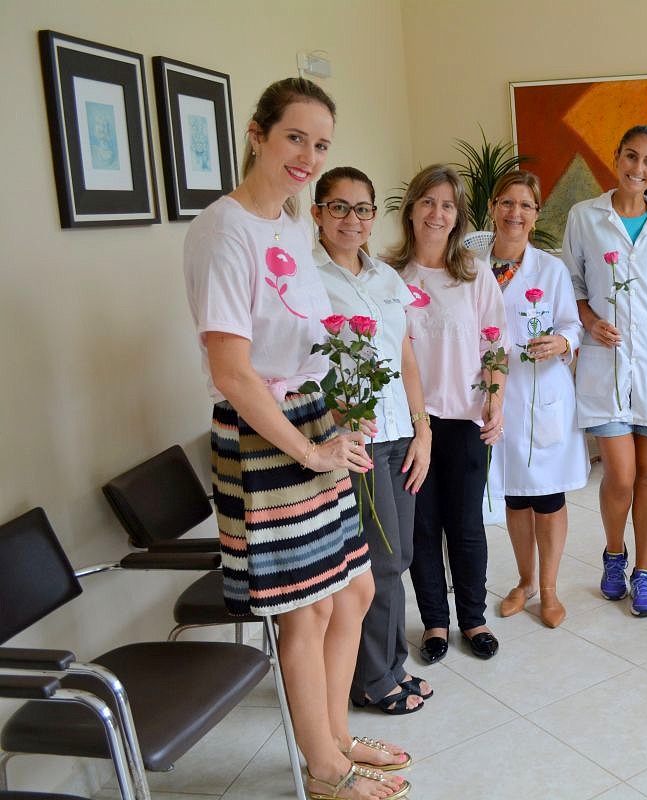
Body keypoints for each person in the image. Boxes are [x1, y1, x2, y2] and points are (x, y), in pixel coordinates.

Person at [183, 79, 410, 800]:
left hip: (315, 421)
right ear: (257, 134)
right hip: (264, 439)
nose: (308, 156)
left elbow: (309, 341)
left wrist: (341, 410)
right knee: (308, 608)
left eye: (321, 144)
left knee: (355, 591)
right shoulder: (225, 229)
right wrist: (308, 450)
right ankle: (324, 767)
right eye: (295, 138)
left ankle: (336, 734)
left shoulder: (287, 226)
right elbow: (232, 369)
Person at [311, 167, 433, 715]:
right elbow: (302, 366)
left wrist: (422, 427)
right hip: (351, 442)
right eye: (339, 207)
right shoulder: (306, 282)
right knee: (377, 562)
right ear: (317, 213)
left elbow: (405, 356)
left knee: (399, 554)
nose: (352, 220)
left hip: (399, 434)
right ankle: (370, 680)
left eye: (362, 209)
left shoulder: (385, 277)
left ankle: (389, 664)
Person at [562, 124, 647, 617]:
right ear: (616, 157)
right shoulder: (584, 217)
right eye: (630, 157)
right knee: (619, 475)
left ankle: (645, 572)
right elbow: (571, 283)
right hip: (606, 362)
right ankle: (614, 556)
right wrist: (591, 321)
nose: (638, 168)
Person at [385, 165, 508, 660]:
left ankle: (473, 620)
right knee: (421, 526)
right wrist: (417, 424)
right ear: (412, 209)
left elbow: (495, 344)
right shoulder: (388, 277)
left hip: (464, 419)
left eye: (448, 205)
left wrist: (494, 398)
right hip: (410, 424)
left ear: (458, 217)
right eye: (429, 202)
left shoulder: (475, 275)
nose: (438, 213)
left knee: (465, 524)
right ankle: (435, 622)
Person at [487, 171, 589, 628]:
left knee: (547, 496)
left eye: (525, 205)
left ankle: (548, 589)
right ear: (492, 207)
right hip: (494, 399)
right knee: (514, 496)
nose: (515, 213)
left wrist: (561, 344)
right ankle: (524, 581)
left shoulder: (550, 270)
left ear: (536, 214)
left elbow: (572, 324)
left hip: (542, 393)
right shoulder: (472, 268)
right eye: (507, 203)